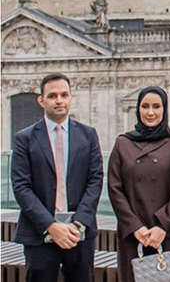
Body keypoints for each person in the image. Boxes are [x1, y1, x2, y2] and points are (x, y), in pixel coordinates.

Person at [11, 73, 103, 282]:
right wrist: (50, 225)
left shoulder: (88, 135)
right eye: (52, 96)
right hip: (38, 232)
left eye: (64, 95)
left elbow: (95, 180)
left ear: (71, 97)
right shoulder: (24, 138)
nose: (59, 100)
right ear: (41, 100)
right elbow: (21, 187)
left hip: (79, 232)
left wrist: (77, 224)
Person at [107, 87, 170, 282]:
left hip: (167, 232)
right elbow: (115, 188)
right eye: (145, 106)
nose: (151, 112)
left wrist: (162, 225)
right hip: (133, 234)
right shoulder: (122, 143)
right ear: (137, 109)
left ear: (164, 110)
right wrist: (135, 226)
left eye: (156, 107)